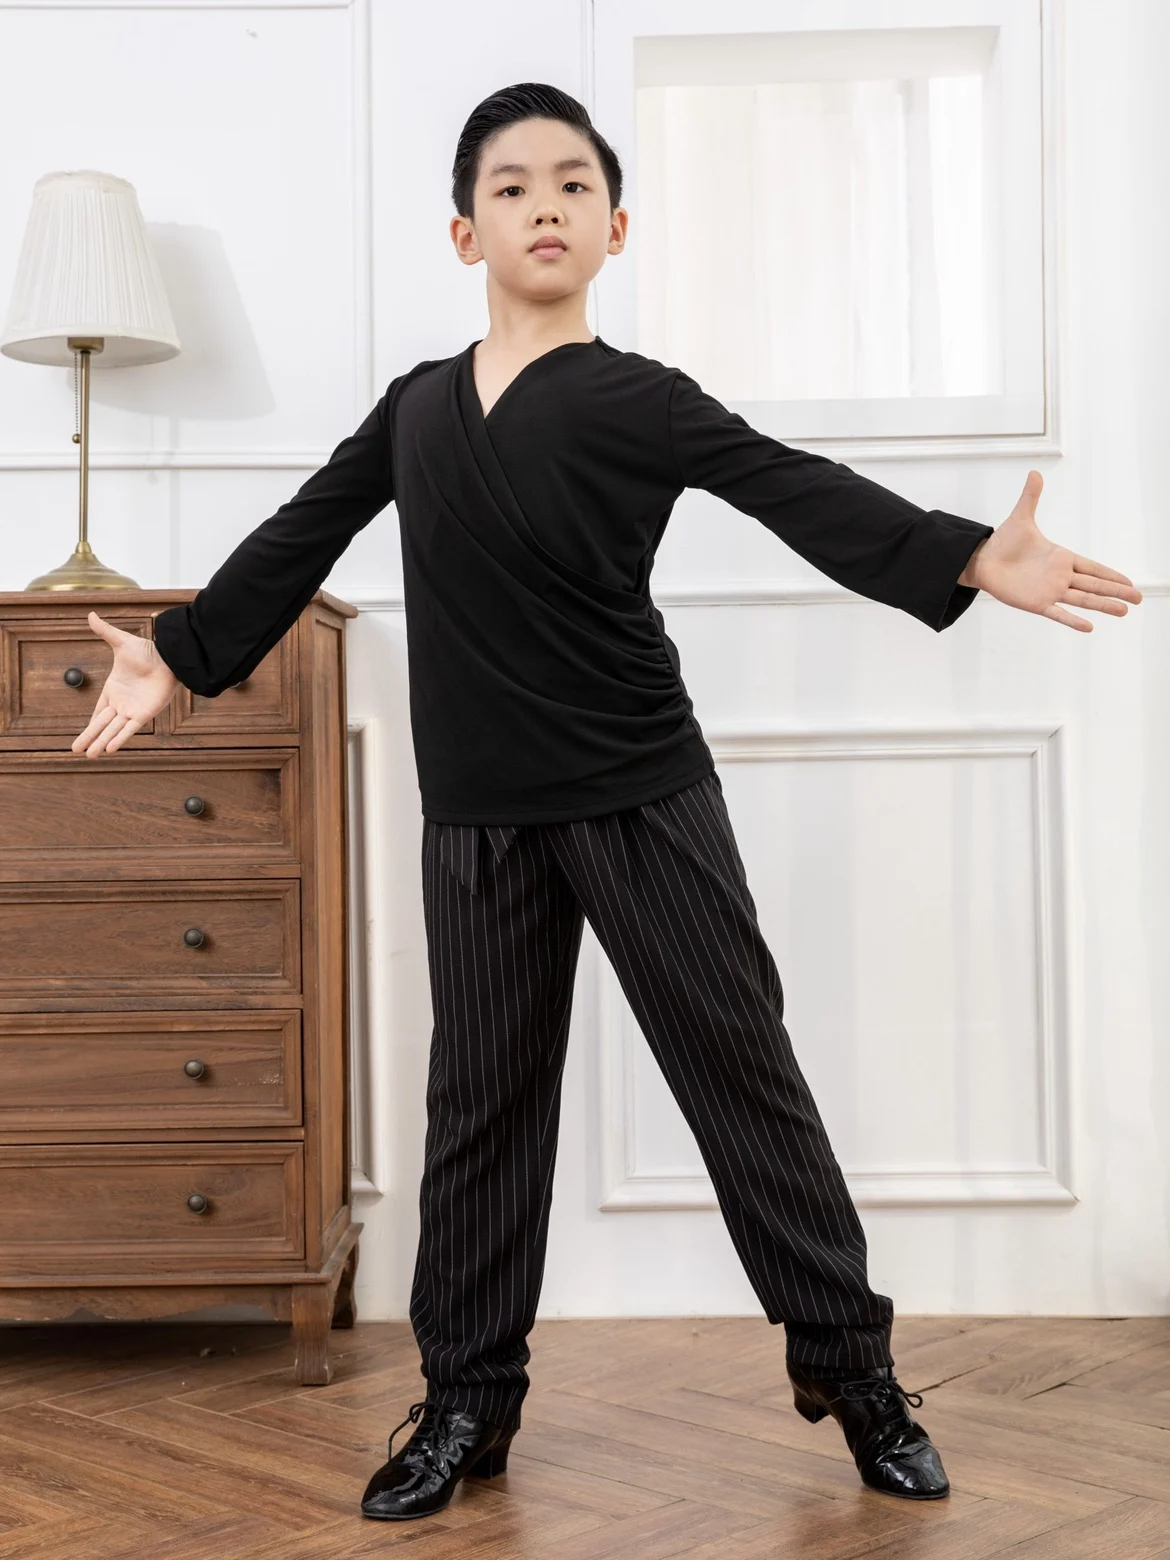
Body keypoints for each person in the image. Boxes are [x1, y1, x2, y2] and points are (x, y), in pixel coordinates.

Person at [72, 82, 1140, 1523]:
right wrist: (182, 660)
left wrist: (959, 557)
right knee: (483, 1109)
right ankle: (466, 1400)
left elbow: (789, 487)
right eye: (512, 187)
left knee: (739, 1080)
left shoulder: (643, 399)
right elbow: (296, 535)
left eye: (573, 183)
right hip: (479, 815)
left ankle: (852, 1370)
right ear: (465, 232)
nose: (545, 204)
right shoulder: (414, 412)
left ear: (615, 225)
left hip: (641, 791)